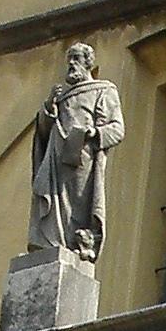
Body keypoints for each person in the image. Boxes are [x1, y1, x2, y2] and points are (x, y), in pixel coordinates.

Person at [30, 45, 126, 261]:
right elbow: (44, 134)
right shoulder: (62, 97)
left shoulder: (103, 90)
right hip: (56, 160)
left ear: (88, 62)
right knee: (54, 206)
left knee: (79, 208)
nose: (71, 64)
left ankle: (81, 243)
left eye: (76, 59)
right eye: (69, 60)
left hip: (84, 160)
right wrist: (49, 108)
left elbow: (117, 128)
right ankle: (51, 244)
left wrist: (94, 133)